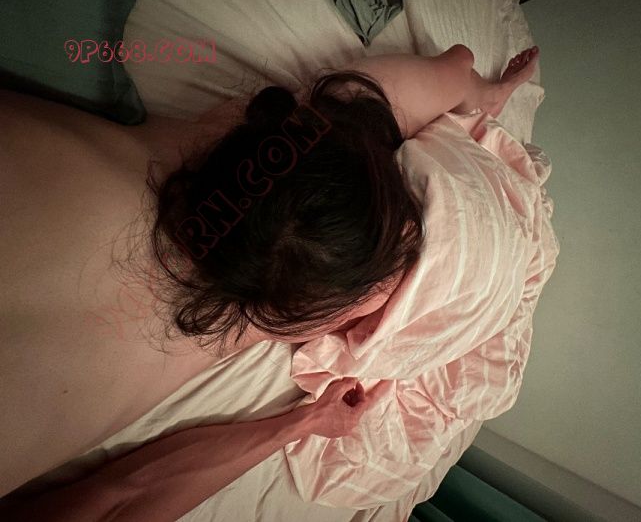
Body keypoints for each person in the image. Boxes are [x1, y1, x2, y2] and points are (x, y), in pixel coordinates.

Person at [0, 44, 539, 519]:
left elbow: (455, 66)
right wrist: (301, 424)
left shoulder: (269, 152)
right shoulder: (241, 322)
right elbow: (123, 495)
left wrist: (483, 94)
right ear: (304, 323)